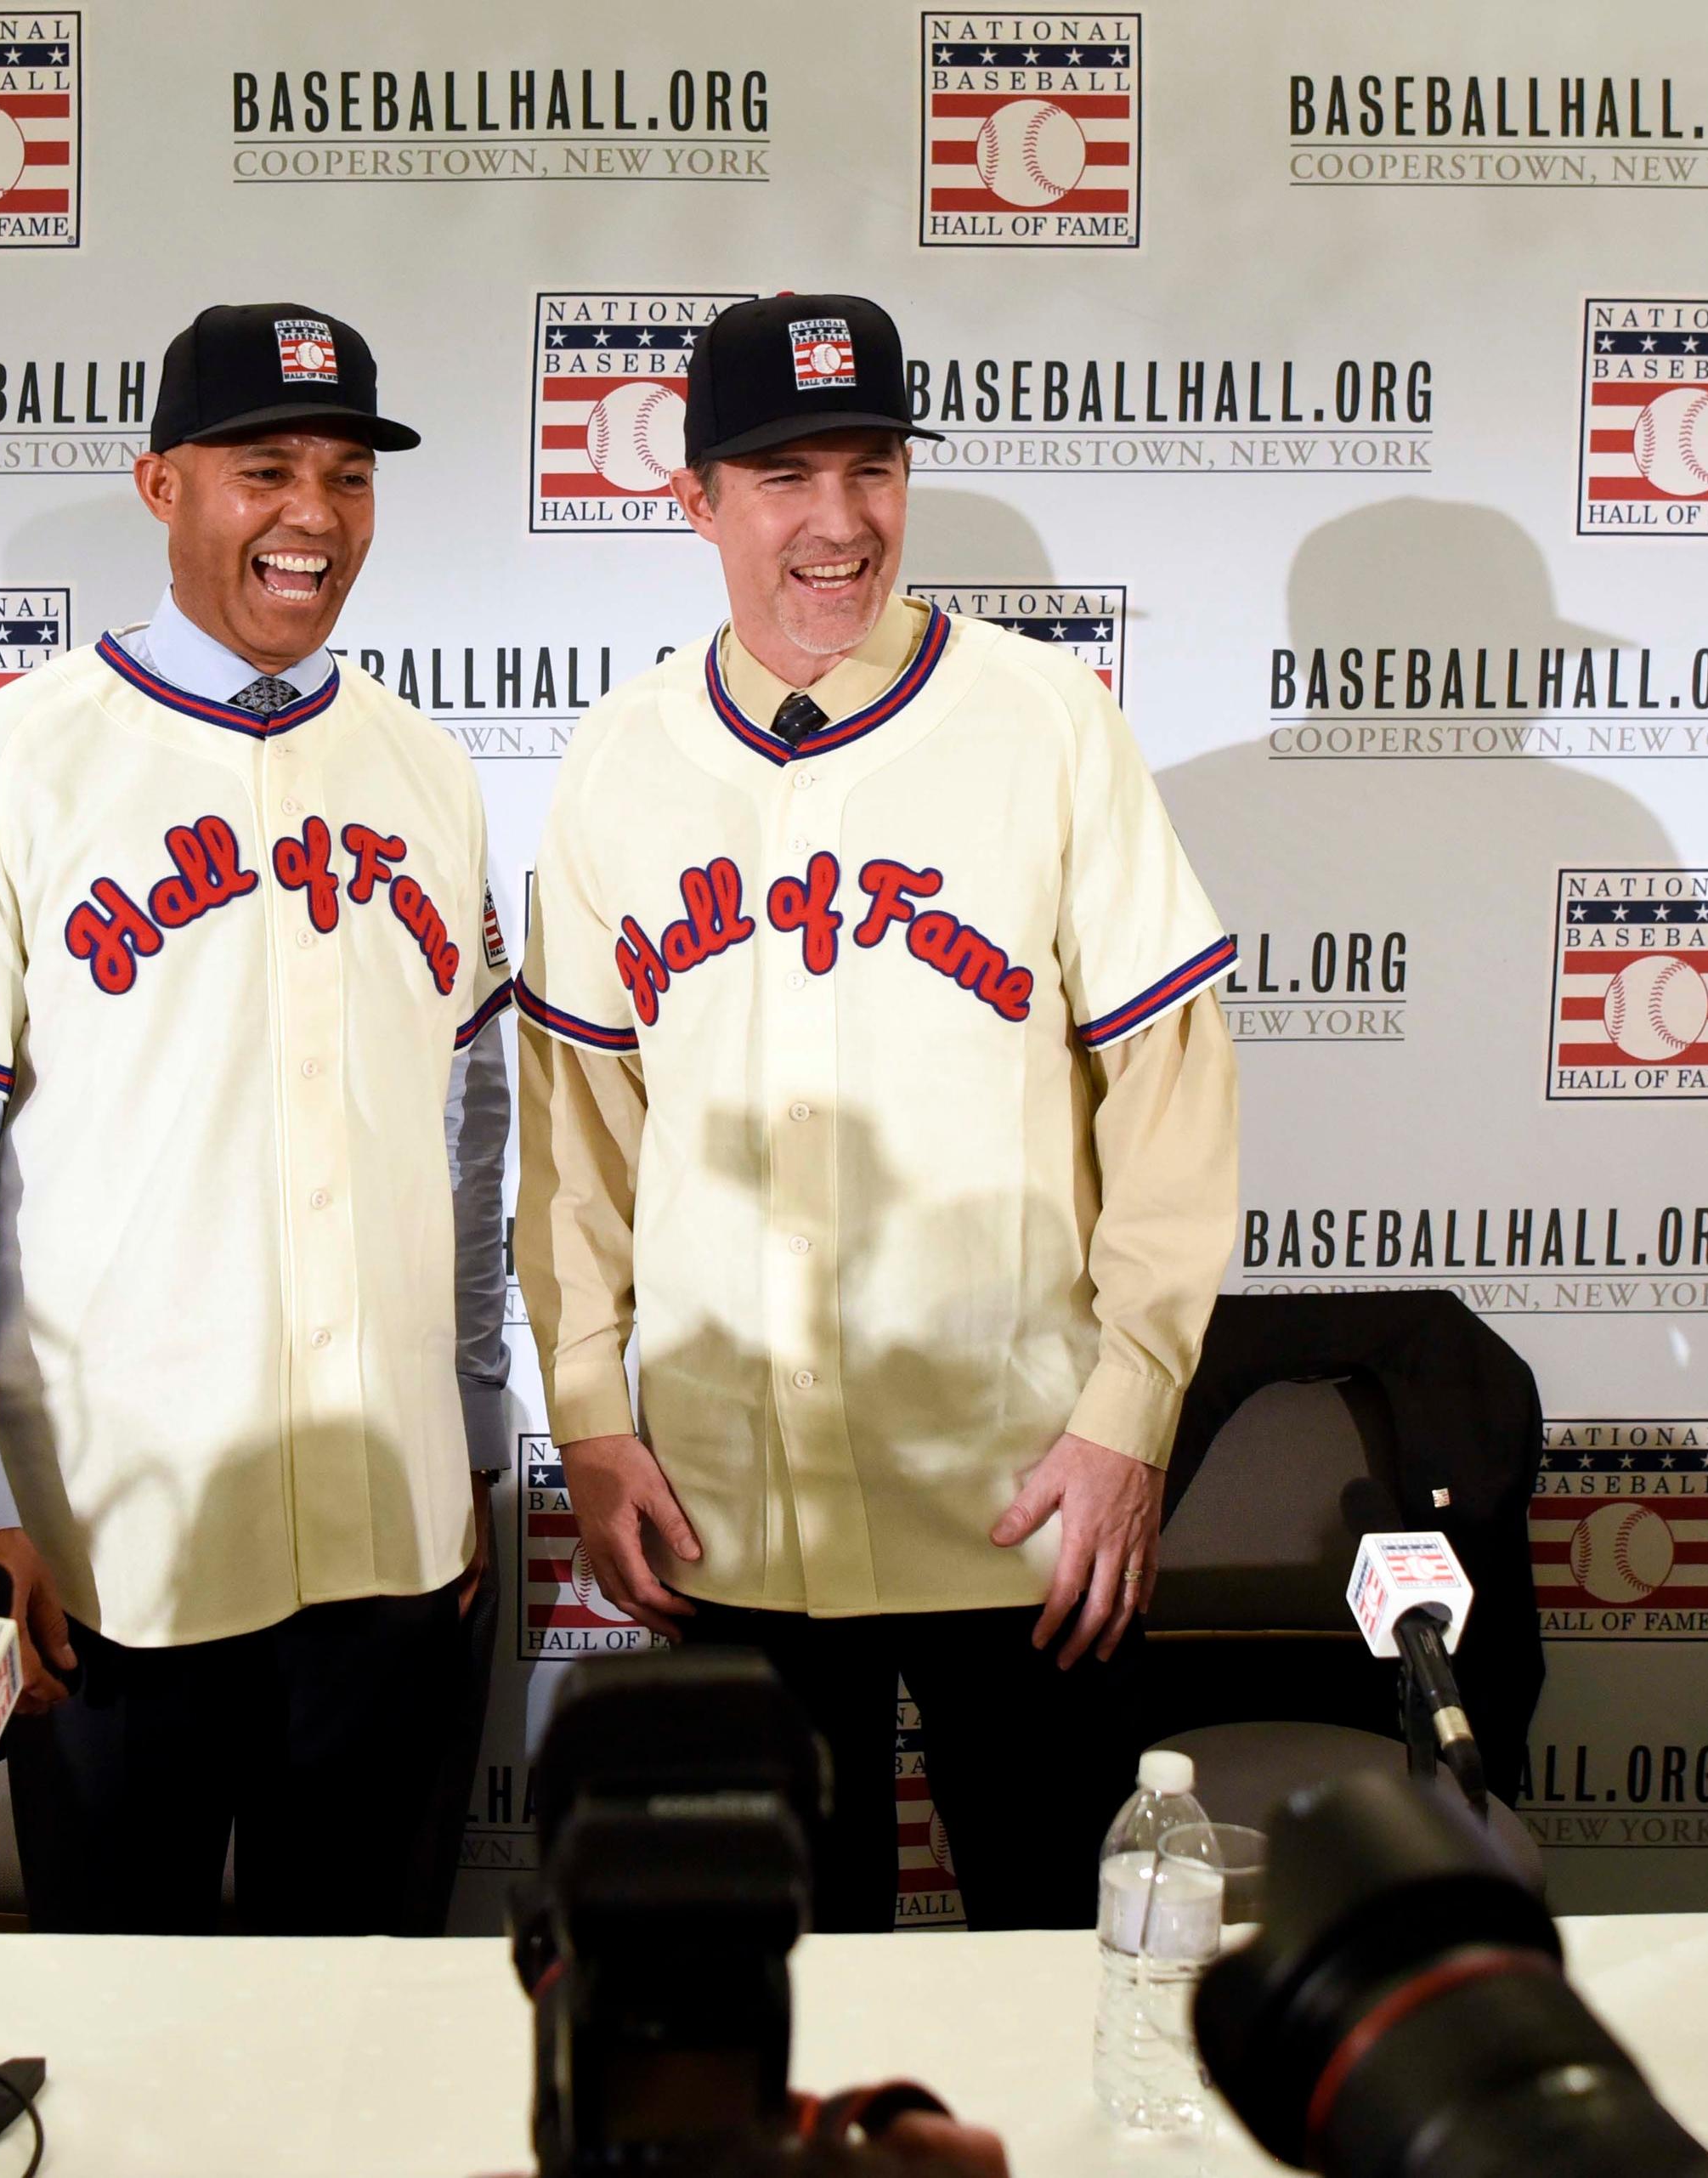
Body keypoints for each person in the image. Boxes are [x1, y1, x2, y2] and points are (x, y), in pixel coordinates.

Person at [513, 292, 1239, 1932]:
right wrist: (588, 1405)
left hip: (1024, 1495)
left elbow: (1174, 1091)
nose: (838, 522)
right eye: (783, 476)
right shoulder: (618, 758)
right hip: (730, 1497)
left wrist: (1129, 1412)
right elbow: (579, 1130)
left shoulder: (1047, 721)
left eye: (872, 466)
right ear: (693, 498)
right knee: (780, 1987)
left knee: (1069, 1964)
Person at [0, 302, 512, 1934]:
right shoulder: (16, 758)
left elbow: (472, 1130)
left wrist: (476, 1443)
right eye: (262, 467)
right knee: (116, 2028)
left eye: (348, 474)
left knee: (357, 2030)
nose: (313, 514)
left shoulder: (428, 767)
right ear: (160, 486)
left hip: (395, 1536)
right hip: (112, 1545)